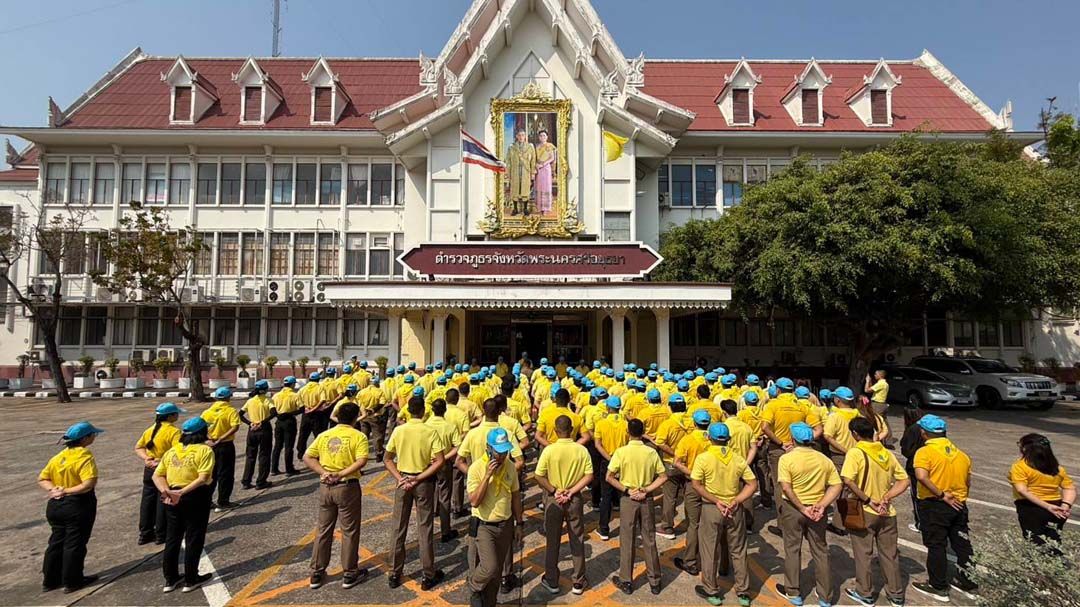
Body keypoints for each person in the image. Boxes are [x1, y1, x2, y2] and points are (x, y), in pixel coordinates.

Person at [840, 417, 909, 607]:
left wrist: (868, 499)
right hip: (887, 512)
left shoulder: (855, 453)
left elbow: (847, 480)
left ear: (855, 434)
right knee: (890, 554)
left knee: (863, 553)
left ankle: (865, 592)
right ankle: (896, 594)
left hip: (865, 510)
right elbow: (904, 480)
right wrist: (887, 497)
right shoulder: (885, 452)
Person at [302, 402, 370, 590]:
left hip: (326, 486)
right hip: (346, 486)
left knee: (323, 529)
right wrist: (341, 474)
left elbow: (307, 457)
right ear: (356, 417)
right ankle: (349, 572)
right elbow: (362, 460)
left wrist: (323, 472)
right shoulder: (358, 436)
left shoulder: (325, 435)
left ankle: (316, 571)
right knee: (349, 530)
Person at [691, 422, 758, 607]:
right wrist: (736, 500)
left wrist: (715, 500)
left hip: (713, 507)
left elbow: (696, 484)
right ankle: (743, 592)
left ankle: (712, 590)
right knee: (739, 550)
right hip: (734, 508)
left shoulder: (704, 458)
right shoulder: (738, 459)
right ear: (728, 440)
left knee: (709, 550)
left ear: (709, 438)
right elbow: (752, 484)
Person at [384, 396, 447, 590]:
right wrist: (419, 477)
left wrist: (399, 477)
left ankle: (395, 572)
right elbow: (439, 460)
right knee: (425, 528)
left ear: (409, 411)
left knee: (398, 527)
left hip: (403, 481)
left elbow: (387, 459)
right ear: (423, 411)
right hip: (422, 482)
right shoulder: (430, 431)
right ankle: (428, 574)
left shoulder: (399, 430)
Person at [911, 414, 976, 603]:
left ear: (924, 432)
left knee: (936, 544)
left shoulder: (925, 452)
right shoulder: (961, 454)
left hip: (935, 503)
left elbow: (922, 476)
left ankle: (937, 585)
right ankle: (968, 580)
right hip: (959, 504)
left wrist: (941, 494)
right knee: (962, 543)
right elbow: (968, 481)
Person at [776, 422, 843, 607]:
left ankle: (793, 591)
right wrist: (822, 505)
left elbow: (786, 487)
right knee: (820, 551)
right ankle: (825, 596)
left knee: (792, 549)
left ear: (792, 439)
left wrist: (801, 507)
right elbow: (836, 485)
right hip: (817, 508)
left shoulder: (787, 459)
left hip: (794, 508)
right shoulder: (823, 459)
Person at [39, 421, 104, 593]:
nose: (94, 438)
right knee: (75, 544)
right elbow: (88, 484)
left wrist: (55, 490)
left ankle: (50, 580)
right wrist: (66, 491)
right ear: (85, 438)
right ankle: (72, 580)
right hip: (77, 504)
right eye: (93, 435)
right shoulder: (84, 456)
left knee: (56, 542)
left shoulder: (58, 457)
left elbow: (43, 478)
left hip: (55, 505)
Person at [152, 417, 215, 593]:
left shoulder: (172, 451)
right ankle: (191, 578)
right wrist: (182, 492)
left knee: (173, 538)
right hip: (193, 496)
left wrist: (166, 491)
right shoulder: (204, 450)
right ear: (202, 433)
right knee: (194, 537)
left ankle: (170, 579)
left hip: (171, 496)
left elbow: (157, 475)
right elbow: (202, 478)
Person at [606, 418, 667, 595]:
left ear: (628, 432)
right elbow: (663, 476)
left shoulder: (621, 452)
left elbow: (609, 477)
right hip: (646, 497)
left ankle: (626, 580)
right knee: (649, 539)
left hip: (628, 498)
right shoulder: (651, 452)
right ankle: (654, 580)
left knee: (627, 540)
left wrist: (627, 489)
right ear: (643, 432)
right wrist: (646, 490)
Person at [534, 415, 594, 595]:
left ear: (555, 429)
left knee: (552, 541)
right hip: (573, 498)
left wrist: (555, 491)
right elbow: (589, 475)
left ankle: (552, 580)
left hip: (554, 500)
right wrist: (571, 491)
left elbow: (538, 475)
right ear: (572, 429)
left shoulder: (549, 450)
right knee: (577, 538)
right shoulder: (580, 450)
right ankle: (578, 580)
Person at [466, 427, 523, 607]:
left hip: (504, 525)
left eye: (505, 451)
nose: (502, 456)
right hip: (484, 526)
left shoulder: (510, 467)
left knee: (497, 573)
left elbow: (515, 495)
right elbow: (474, 501)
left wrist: (519, 523)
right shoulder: (476, 468)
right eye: (498, 452)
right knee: (489, 566)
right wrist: (487, 476)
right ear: (488, 449)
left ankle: (489, 603)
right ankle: (474, 586)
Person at [761, 377, 823, 519]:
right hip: (799, 448)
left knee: (780, 485)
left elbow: (764, 427)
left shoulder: (772, 405)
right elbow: (818, 429)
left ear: (777, 389)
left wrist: (781, 443)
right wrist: (804, 440)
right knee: (799, 482)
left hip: (778, 449)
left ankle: (784, 522)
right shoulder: (803, 406)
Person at [1008, 433, 1075, 546]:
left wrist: (1047, 507)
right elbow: (1070, 488)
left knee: (1035, 543)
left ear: (1025, 448)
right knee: (1053, 542)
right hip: (1057, 507)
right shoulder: (1057, 468)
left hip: (1032, 507)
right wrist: (1065, 506)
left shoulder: (1020, 467)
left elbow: (1022, 490)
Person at [672, 410, 714, 577]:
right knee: (710, 524)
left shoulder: (688, 439)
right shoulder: (715, 440)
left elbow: (677, 462)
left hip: (693, 485)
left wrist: (691, 473)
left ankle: (690, 561)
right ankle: (710, 559)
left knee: (693, 523)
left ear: (695, 423)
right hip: (712, 485)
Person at [135, 402, 183, 545]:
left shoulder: (150, 430)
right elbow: (177, 452)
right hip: (164, 470)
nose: (178, 416)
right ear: (170, 416)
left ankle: (145, 533)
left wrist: (147, 459)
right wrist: (160, 461)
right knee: (164, 500)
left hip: (149, 469)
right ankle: (162, 534)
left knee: (147, 501)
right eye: (176, 414)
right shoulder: (174, 431)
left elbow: (138, 447)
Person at [654, 393, 692, 539]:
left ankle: (667, 527)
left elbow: (660, 442)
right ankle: (692, 524)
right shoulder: (692, 421)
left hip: (671, 464)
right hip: (689, 464)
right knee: (690, 496)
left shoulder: (667, 424)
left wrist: (676, 453)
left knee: (669, 497)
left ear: (670, 407)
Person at [593, 395, 630, 541]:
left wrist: (610, 459)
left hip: (606, 461)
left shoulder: (601, 423)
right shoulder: (626, 424)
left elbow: (597, 444)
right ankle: (627, 528)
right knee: (623, 495)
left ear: (608, 408)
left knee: (606, 495)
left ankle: (604, 529)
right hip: (623, 461)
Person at [426, 398, 463, 543]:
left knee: (429, 493)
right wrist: (444, 458)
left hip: (428, 463)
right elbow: (457, 446)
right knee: (445, 495)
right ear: (444, 410)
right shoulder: (449, 426)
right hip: (444, 464)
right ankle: (445, 530)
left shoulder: (425, 425)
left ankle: (431, 519)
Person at [202, 387, 240, 511]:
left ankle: (207, 501)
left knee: (211, 474)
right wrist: (221, 438)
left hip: (210, 445)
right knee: (226, 473)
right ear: (228, 397)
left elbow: (202, 427)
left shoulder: (207, 411)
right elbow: (234, 427)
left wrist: (210, 438)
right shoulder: (230, 411)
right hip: (225, 445)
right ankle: (223, 501)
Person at [240, 380, 275, 490]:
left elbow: (240, 414)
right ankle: (261, 481)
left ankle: (246, 481)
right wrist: (262, 422)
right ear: (265, 389)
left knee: (250, 456)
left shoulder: (250, 401)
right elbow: (274, 413)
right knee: (264, 455)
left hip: (252, 429)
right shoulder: (268, 400)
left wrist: (250, 423)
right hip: (264, 429)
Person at [899, 406, 927, 533]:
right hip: (930, 464)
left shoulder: (912, 429)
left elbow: (906, 450)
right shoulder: (926, 426)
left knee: (917, 494)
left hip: (915, 465)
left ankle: (920, 523)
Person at [271, 376, 302, 476]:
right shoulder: (294, 395)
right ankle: (289, 469)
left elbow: (272, 409)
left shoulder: (276, 396)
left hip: (279, 421)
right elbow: (302, 409)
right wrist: (290, 413)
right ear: (293, 384)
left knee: (277, 445)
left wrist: (279, 415)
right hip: (289, 421)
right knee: (289, 446)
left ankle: (274, 469)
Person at [296, 372, 327, 455]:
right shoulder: (320, 388)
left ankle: (300, 453)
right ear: (318, 379)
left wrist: (306, 408)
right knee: (318, 435)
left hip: (306, 414)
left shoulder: (303, 389)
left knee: (303, 434)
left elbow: (298, 400)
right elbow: (323, 400)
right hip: (317, 414)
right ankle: (318, 453)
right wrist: (314, 408)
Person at [534, 129, 556, 214]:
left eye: (544, 135)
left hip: (546, 168)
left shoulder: (550, 146)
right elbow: (534, 158)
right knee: (539, 187)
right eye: (541, 136)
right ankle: (539, 207)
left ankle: (546, 208)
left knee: (546, 187)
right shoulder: (537, 147)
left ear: (547, 137)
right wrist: (536, 165)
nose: (542, 137)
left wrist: (543, 164)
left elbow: (552, 158)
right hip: (538, 169)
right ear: (539, 137)